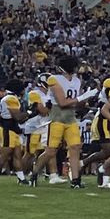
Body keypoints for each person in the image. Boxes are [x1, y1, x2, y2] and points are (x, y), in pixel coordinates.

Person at [36, 55, 92, 188]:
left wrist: (84, 101)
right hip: (57, 117)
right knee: (50, 151)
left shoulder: (77, 81)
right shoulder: (54, 79)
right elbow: (62, 102)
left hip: (70, 117)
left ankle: (75, 180)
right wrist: (80, 99)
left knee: (75, 148)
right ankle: (34, 173)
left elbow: (74, 103)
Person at [0, 79, 28, 185]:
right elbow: (18, 117)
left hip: (12, 130)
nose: (23, 90)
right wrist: (30, 112)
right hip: (7, 129)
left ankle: (21, 178)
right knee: (4, 154)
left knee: (17, 155)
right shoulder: (10, 98)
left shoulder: (11, 98)